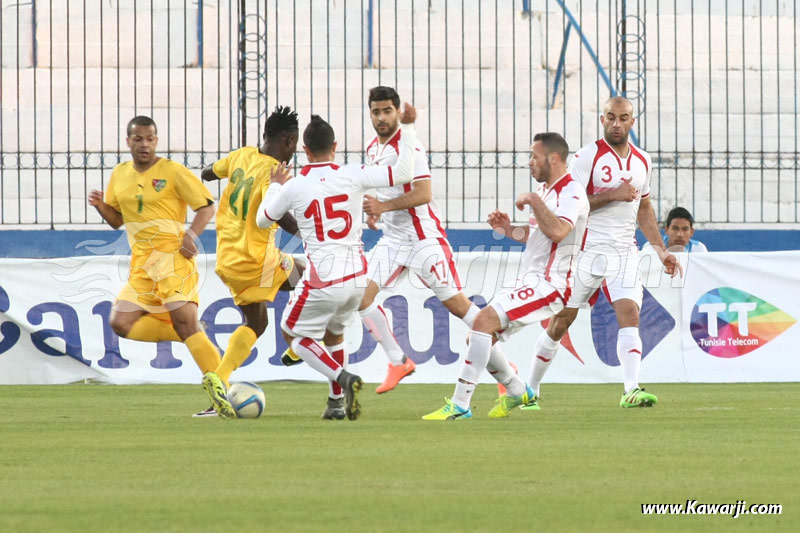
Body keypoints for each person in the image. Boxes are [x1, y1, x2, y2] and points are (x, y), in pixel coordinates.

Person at [256, 106, 420, 420]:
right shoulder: (353, 173)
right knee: (333, 334)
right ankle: (336, 403)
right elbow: (403, 173)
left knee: (294, 335)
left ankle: (342, 378)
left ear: (305, 151)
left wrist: (275, 184)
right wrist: (409, 128)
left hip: (323, 279)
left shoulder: (295, 185)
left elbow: (263, 220)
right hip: (357, 278)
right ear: (335, 146)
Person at [526, 96, 681, 410]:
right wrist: (613, 194)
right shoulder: (587, 156)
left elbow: (644, 208)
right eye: (611, 117)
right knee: (560, 322)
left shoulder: (643, 160)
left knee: (630, 314)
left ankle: (631, 389)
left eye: (623, 118)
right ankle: (529, 390)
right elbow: (571, 203)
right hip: (584, 249)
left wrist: (661, 251)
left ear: (632, 122)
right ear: (602, 120)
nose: (616, 124)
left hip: (623, 250)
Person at [423, 132, 589, 420]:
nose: (530, 162)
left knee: (482, 322)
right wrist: (509, 230)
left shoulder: (572, 191)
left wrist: (533, 200)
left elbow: (559, 231)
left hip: (552, 284)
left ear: (553, 158)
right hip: (531, 279)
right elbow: (540, 235)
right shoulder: (547, 191)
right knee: (478, 334)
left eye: (534, 156)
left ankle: (461, 404)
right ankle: (517, 390)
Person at [354, 86, 489, 394]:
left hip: (423, 238)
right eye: (376, 112)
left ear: (397, 112)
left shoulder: (410, 145)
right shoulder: (373, 147)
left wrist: (383, 206)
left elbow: (424, 194)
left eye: (387, 111)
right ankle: (397, 361)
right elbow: (386, 187)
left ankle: (508, 373)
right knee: (359, 296)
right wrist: (377, 212)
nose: (381, 117)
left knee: (460, 307)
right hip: (393, 239)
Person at [88, 115, 222, 410]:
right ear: (128, 142)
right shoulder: (120, 174)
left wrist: (191, 236)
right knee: (120, 322)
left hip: (173, 259)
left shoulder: (172, 171)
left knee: (186, 323)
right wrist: (100, 206)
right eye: (138, 139)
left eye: (150, 139)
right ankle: (190, 333)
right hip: (142, 265)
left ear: (156, 141)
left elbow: (206, 207)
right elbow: (117, 221)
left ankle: (221, 392)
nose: (144, 145)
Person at [197, 106, 304, 419]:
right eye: (294, 144)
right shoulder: (276, 174)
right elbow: (279, 215)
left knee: (256, 323)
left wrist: (226, 172)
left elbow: (207, 173)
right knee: (315, 278)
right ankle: (301, 343)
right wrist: (309, 232)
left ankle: (219, 379)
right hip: (259, 260)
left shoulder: (241, 156)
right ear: (288, 141)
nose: (294, 151)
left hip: (228, 261)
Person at [642, 206, 708, 253]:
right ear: (666, 230)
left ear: (692, 232)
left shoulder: (699, 249)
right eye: (675, 229)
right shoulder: (652, 247)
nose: (680, 234)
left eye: (685, 229)